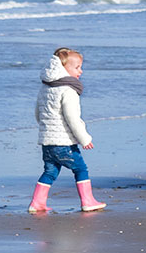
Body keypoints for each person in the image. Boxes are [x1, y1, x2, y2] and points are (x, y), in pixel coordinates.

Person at [28, 48, 107, 212]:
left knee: (50, 171)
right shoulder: (68, 90)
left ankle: (37, 203)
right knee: (80, 169)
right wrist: (85, 139)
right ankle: (88, 201)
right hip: (63, 142)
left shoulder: (46, 88)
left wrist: (47, 130)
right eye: (77, 67)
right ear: (64, 69)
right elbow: (73, 118)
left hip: (47, 141)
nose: (81, 71)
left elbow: (38, 113)